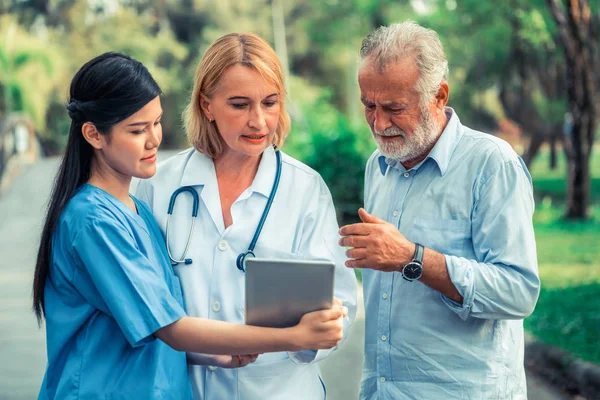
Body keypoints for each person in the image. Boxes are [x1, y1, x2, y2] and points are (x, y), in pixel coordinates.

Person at [33, 52, 349, 400]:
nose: (154, 139)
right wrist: (293, 336)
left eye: (156, 123)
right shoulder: (97, 220)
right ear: (93, 134)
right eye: (138, 130)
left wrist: (209, 354)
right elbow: (169, 327)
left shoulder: (134, 209)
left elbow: (143, 325)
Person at [135, 32, 358, 399]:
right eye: (239, 105)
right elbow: (145, 304)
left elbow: (341, 304)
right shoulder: (160, 186)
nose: (259, 121)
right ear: (207, 106)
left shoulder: (304, 190)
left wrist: (320, 330)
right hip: (184, 389)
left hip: (279, 390)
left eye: (270, 103)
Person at [338, 21, 540, 399]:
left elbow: (518, 292)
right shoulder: (377, 165)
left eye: (395, 108)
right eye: (369, 106)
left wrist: (412, 259)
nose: (379, 124)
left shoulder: (492, 165)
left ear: (439, 95)